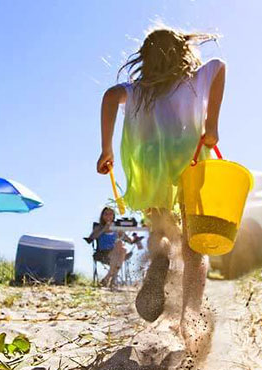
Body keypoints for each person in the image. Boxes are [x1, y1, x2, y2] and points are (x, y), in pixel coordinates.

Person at [95, 26, 225, 335]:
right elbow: (219, 66)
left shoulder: (140, 90)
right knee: (195, 244)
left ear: (145, 60)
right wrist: (212, 125)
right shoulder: (194, 81)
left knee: (160, 226)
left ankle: (160, 258)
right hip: (189, 163)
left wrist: (106, 148)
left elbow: (111, 96)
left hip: (151, 166)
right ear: (184, 54)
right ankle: (191, 314)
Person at [84, 207, 142, 287]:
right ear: (102, 216)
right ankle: (113, 279)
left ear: (113, 216)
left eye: (110, 214)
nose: (108, 216)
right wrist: (104, 229)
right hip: (103, 253)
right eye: (106, 214)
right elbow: (91, 239)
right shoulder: (99, 227)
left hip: (116, 253)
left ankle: (108, 278)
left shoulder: (117, 227)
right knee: (121, 248)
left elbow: (129, 241)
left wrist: (135, 238)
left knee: (122, 248)